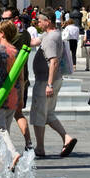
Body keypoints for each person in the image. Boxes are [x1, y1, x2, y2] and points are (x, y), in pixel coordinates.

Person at [28, 14, 77, 158]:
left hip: (46, 82)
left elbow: (54, 61)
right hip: (52, 80)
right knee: (48, 113)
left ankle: (40, 148)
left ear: (47, 21)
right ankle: (66, 138)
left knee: (39, 114)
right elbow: (33, 42)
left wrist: (48, 84)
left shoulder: (50, 38)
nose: (37, 23)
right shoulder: (50, 35)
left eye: (40, 21)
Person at [0, 21, 27, 170]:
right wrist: (21, 97)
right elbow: (21, 77)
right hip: (14, 93)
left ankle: (14, 153)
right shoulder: (16, 51)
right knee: (4, 129)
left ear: (2, 33)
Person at [0, 8, 33, 149]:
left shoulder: (16, 36)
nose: (3, 22)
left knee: (1, 115)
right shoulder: (25, 33)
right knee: (17, 113)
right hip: (21, 78)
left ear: (15, 19)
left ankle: (6, 148)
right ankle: (28, 143)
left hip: (10, 80)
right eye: (2, 19)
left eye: (6, 19)